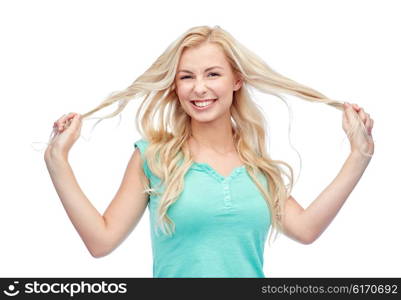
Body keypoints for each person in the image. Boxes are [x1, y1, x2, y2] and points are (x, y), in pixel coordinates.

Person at [44, 25, 374, 278]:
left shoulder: (259, 167)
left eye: (213, 74)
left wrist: (359, 155)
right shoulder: (154, 157)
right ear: (175, 86)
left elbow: (306, 229)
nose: (199, 88)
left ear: (236, 80)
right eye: (187, 77)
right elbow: (101, 241)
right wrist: (57, 161)